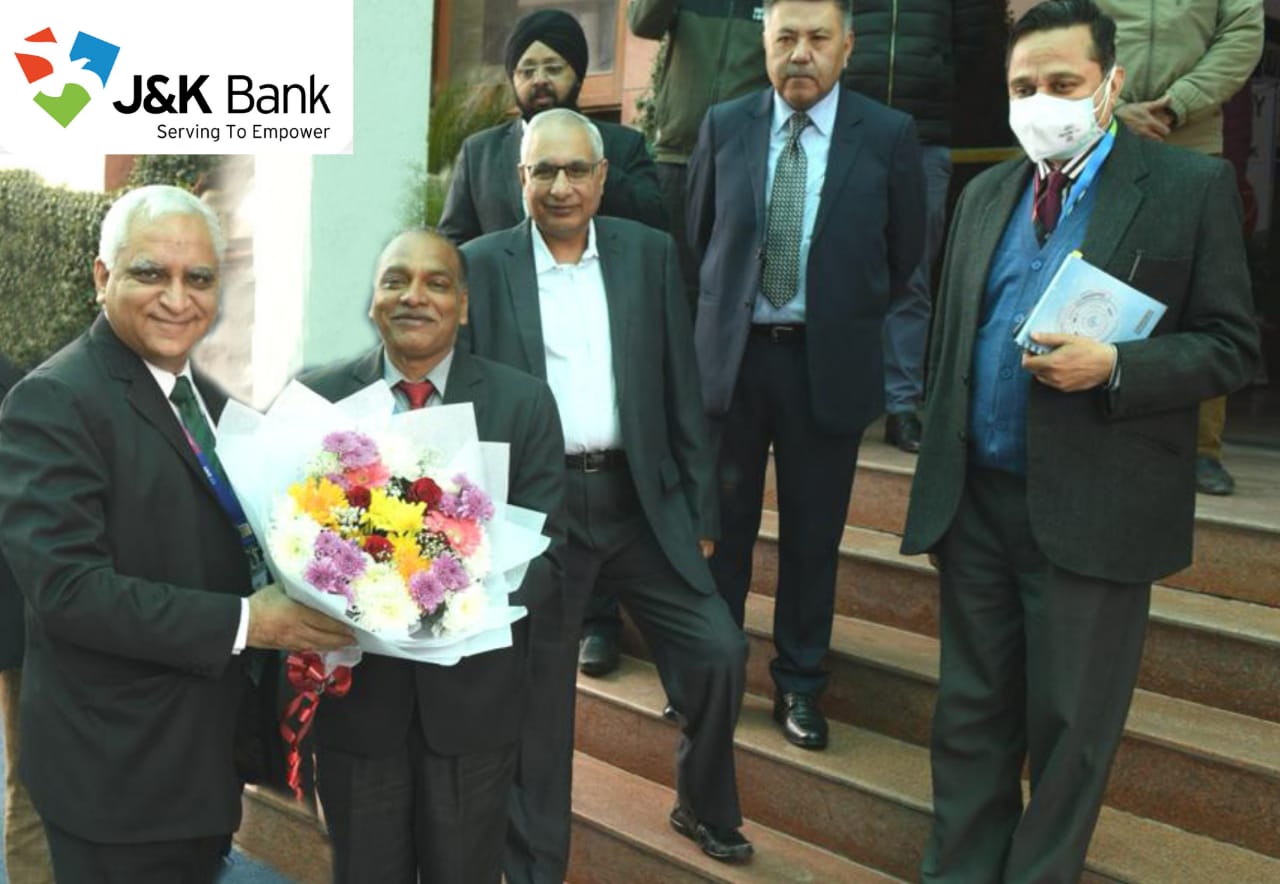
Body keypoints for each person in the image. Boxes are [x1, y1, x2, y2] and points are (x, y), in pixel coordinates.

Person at [899, 2, 1260, 880]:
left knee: (1070, 736)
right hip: (976, 507)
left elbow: (1231, 345)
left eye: (1063, 83)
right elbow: (951, 345)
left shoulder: (1186, 187)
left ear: (1111, 84)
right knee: (969, 722)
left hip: (1094, 513)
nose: (1041, 103)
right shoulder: (986, 194)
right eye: (1024, 86)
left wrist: (1119, 365)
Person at [0, 185, 355, 883]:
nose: (176, 298)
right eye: (149, 273)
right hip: (116, 777)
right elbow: (70, 592)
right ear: (102, 276)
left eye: (198, 278)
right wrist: (250, 621)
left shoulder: (207, 400)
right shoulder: (54, 400)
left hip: (197, 764)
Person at [462, 107, 752, 879]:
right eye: (544, 171)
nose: (560, 186)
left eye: (575, 170)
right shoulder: (481, 266)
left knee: (719, 652)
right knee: (541, 707)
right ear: (520, 179)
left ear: (601, 177)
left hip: (640, 505)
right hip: (539, 509)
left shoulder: (647, 254)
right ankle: (535, 870)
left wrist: (700, 510)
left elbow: (681, 387)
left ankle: (702, 803)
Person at [687, 0, 924, 750]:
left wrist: (840, 311)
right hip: (733, 365)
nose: (800, 53)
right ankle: (712, 680)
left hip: (826, 365)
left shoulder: (888, 135)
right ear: (763, 43)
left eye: (818, 38)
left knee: (813, 538)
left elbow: (904, 257)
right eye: (785, 37)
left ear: (848, 46)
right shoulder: (724, 125)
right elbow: (698, 244)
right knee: (720, 534)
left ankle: (799, 684)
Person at [300, 229, 566, 884]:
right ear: (373, 299)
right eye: (395, 280)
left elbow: (553, 555)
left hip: (473, 709)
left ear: (463, 306)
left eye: (436, 283)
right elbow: (295, 537)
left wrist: (454, 596)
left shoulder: (522, 402)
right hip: (359, 707)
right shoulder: (318, 399)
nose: (414, 296)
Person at [1097, 0, 1263, 495]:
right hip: (1105, 133)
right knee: (1100, 281)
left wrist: (1176, 104)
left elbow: (1241, 37)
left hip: (1193, 138)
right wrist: (1112, 108)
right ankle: (1096, 430)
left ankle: (1201, 449)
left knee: (1204, 295)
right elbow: (1070, 29)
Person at [840, 0, 991, 453]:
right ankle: (844, 396)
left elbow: (974, 48)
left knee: (912, 275)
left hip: (925, 136)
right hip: (851, 131)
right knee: (842, 269)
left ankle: (902, 405)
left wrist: (936, 79)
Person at [439, 8, 667, 247]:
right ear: (512, 79)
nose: (539, 80)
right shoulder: (479, 153)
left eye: (553, 68)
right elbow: (453, 243)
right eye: (527, 71)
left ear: (578, 75)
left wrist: (590, 165)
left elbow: (655, 221)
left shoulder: (624, 144)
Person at [627, 0, 772, 309]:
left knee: (732, 286)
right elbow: (642, 23)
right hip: (676, 159)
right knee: (671, 284)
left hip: (742, 162)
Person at [0, 353, 54, 884]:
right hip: (26, 619)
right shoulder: (24, 389)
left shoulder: (23, 386)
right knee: (31, 779)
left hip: (34, 614)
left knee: (32, 777)